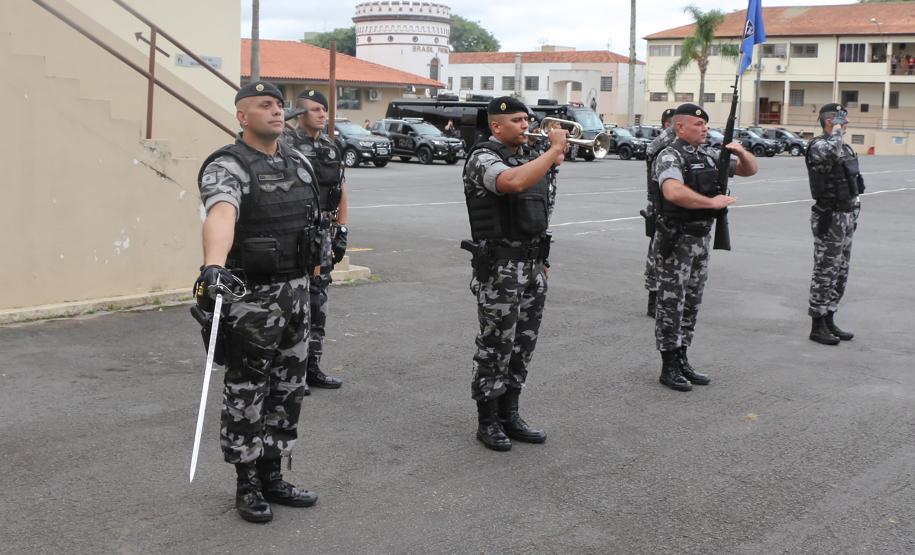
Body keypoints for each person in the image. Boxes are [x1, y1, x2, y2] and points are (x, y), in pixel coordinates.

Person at [194, 81, 324, 522]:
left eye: (278, 105)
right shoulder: (228, 166)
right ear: (242, 116)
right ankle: (246, 483)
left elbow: (309, 218)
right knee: (247, 390)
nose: (275, 111)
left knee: (289, 388)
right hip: (251, 299)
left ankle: (273, 473)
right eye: (264, 105)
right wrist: (214, 265)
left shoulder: (298, 161)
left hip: (297, 293)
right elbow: (221, 212)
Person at [461, 96, 568, 451]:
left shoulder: (528, 157)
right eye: (518, 121)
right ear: (496, 126)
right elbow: (511, 184)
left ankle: (511, 412)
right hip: (500, 268)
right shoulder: (482, 158)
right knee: (496, 345)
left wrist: (542, 257)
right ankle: (488, 419)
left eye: (527, 120)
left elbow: (540, 209)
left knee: (523, 344)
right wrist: (551, 153)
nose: (526, 126)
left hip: (532, 264)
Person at [651, 103, 758, 392]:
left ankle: (683, 357)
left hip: (700, 240)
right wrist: (711, 203)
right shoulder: (669, 155)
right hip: (676, 240)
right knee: (671, 304)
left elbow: (751, 170)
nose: (704, 128)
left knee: (691, 304)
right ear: (680, 126)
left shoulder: (708, 155)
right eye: (698, 125)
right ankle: (668, 365)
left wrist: (740, 152)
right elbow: (672, 190)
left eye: (706, 125)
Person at [282, 90, 348, 391]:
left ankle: (313, 367)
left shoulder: (332, 147)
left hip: (322, 234)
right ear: (300, 114)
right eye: (315, 110)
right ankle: (289, 372)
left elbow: (341, 190)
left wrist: (341, 230)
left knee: (317, 300)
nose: (322, 114)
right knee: (291, 303)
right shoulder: (284, 144)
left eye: (324, 109)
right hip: (293, 234)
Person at [805, 103, 863, 345]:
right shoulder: (818, 145)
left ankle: (830, 317)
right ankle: (817, 324)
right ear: (830, 121)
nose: (846, 124)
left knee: (840, 271)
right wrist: (836, 130)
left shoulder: (845, 147)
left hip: (846, 215)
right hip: (830, 216)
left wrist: (854, 213)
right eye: (841, 119)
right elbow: (829, 154)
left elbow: (854, 182)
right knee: (825, 271)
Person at [642, 108, 676, 317]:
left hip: (663, 207)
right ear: (667, 125)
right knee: (657, 254)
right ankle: (653, 300)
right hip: (660, 207)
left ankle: (664, 297)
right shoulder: (662, 146)